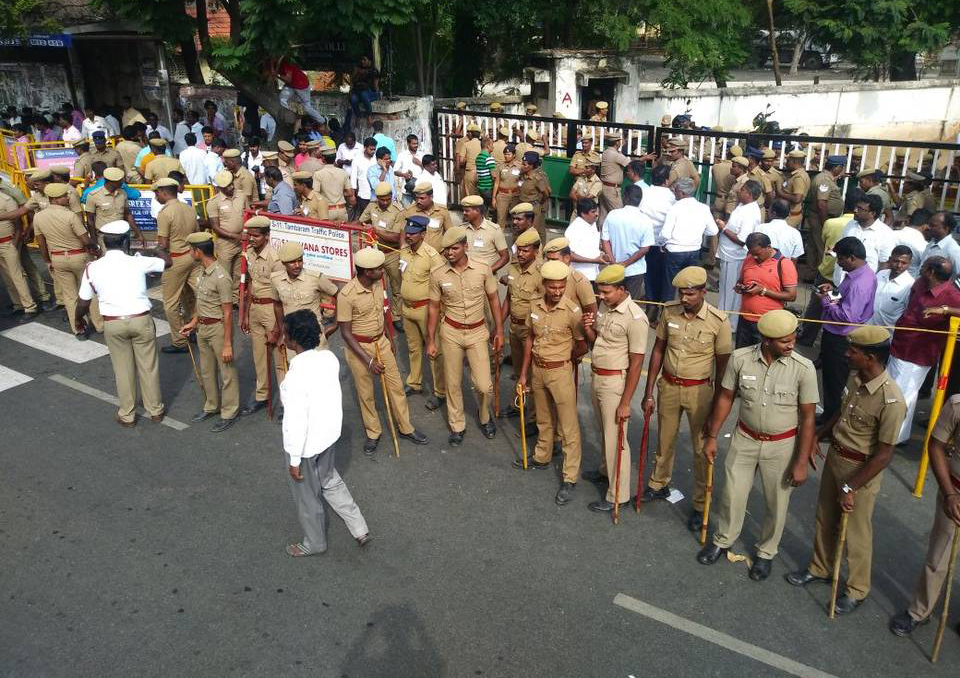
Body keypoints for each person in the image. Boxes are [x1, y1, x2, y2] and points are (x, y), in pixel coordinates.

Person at [786, 326, 906, 615]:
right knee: (825, 517)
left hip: (861, 470)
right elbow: (842, 412)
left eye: (853, 351)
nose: (847, 354)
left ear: (871, 357)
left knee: (856, 532)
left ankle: (856, 589)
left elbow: (884, 455)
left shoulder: (891, 400)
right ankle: (820, 567)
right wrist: (819, 435)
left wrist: (851, 487)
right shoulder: (856, 377)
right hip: (836, 458)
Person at [697, 310, 818, 579]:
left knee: (777, 503)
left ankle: (766, 553)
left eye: (793, 338)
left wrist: (801, 461)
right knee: (732, 494)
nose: (791, 344)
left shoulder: (803, 368)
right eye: (785, 341)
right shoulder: (740, 359)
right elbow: (726, 397)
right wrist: (713, 436)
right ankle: (723, 540)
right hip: (745, 439)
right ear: (767, 340)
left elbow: (808, 417)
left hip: (782, 446)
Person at [641, 266, 732, 532]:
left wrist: (717, 408)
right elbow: (658, 350)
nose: (684, 298)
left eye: (690, 294)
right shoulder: (669, 311)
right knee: (664, 439)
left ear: (703, 292)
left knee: (701, 449)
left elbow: (723, 368)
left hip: (700, 392)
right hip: (668, 386)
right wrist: (648, 391)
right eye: (681, 293)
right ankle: (658, 483)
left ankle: (700, 504)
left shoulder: (719, 321)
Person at [279, 309, 371, 558]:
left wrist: (294, 460)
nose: (283, 337)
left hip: (306, 447)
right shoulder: (329, 358)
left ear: (293, 340)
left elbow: (295, 422)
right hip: (329, 436)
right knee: (330, 480)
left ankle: (314, 543)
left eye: (285, 334)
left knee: (307, 496)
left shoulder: (295, 377)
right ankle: (359, 527)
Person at [75, 221, 168, 426]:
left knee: (123, 370)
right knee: (148, 367)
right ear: (126, 241)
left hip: (113, 323)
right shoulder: (138, 262)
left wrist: (78, 320)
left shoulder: (93, 268)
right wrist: (158, 249)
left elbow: (83, 301)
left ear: (104, 242)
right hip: (141, 319)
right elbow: (166, 263)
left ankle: (128, 414)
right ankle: (155, 410)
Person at [337, 247, 429, 454]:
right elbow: (346, 334)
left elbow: (383, 311)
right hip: (359, 348)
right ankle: (373, 433)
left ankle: (406, 427)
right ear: (366, 271)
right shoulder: (346, 295)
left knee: (396, 387)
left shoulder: (379, 284)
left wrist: (390, 337)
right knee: (366, 394)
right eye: (379, 268)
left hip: (382, 342)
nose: (383, 270)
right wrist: (369, 361)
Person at [514, 259, 587, 505]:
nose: (557, 292)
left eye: (561, 287)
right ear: (544, 284)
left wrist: (566, 361)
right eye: (553, 287)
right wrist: (523, 374)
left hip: (560, 372)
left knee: (568, 427)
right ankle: (542, 456)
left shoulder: (572, 311)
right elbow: (529, 339)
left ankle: (569, 476)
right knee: (544, 419)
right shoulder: (533, 304)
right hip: (537, 369)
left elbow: (582, 345)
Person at [888, 392, 960, 636]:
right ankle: (919, 612)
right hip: (955, 495)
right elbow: (936, 446)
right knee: (938, 559)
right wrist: (949, 495)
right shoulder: (957, 405)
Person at [581, 263, 649, 512]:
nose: (601, 296)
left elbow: (636, 363)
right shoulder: (606, 308)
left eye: (606, 292)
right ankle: (605, 471)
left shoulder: (635, 318)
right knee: (604, 431)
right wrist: (587, 329)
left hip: (615, 383)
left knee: (616, 439)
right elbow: (598, 342)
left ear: (622, 289)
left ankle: (618, 495)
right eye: (600, 291)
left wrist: (625, 402)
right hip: (598, 376)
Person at [426, 227, 503, 445]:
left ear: (465, 247)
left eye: (454, 248)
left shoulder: (482, 269)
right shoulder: (438, 274)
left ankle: (485, 416)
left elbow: (494, 299)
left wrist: (499, 330)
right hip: (450, 332)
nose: (449, 253)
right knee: (452, 383)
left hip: (478, 332)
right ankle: (457, 425)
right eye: (446, 250)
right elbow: (433, 307)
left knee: (484, 385)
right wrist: (430, 340)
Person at [886, 256, 960, 444]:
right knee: (893, 390)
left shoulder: (951, 295)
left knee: (904, 395)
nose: (920, 268)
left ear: (931, 272)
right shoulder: (920, 283)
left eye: (924, 266)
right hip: (900, 345)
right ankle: (893, 433)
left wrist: (944, 310)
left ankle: (893, 438)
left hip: (918, 354)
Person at [177, 231, 238, 432]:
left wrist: (227, 343)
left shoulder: (221, 276)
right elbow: (204, 303)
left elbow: (227, 312)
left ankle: (229, 412)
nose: (189, 253)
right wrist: (193, 323)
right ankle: (211, 405)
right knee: (207, 370)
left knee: (227, 372)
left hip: (218, 329)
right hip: (202, 327)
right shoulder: (203, 272)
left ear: (198, 251)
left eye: (191, 250)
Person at [817, 237, 878, 421]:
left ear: (851, 258)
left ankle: (831, 420)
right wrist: (832, 292)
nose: (838, 263)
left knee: (834, 381)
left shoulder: (859, 283)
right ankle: (831, 415)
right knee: (834, 379)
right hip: (840, 334)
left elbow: (846, 316)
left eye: (840, 259)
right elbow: (845, 301)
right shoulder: (861, 274)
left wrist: (825, 300)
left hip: (839, 337)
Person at [31, 183, 102, 337]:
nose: (68, 197)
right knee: (90, 290)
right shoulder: (70, 215)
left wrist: (47, 261)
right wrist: (97, 250)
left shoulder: (38, 217)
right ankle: (99, 324)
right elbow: (85, 240)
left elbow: (41, 243)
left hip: (57, 258)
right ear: (55, 199)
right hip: (79, 256)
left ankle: (78, 328)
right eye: (64, 196)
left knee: (69, 296)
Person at [798, 189, 862, 347]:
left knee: (816, 309)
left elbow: (824, 241)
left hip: (827, 273)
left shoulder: (831, 223)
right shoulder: (860, 228)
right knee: (840, 311)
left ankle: (806, 339)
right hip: (846, 279)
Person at [399, 216, 447, 410]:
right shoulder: (404, 252)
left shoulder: (432, 255)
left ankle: (440, 392)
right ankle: (414, 382)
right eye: (407, 233)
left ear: (423, 234)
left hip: (426, 309)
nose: (409, 236)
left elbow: (441, 285)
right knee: (413, 348)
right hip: (407, 307)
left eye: (413, 233)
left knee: (434, 351)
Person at [152, 178, 199, 354]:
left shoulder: (165, 213)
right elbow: (196, 233)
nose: (156, 196)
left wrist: (155, 254)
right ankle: (194, 329)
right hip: (192, 257)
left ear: (164, 193)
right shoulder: (189, 208)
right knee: (192, 296)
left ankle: (180, 341)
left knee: (171, 303)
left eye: (157, 193)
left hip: (176, 259)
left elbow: (163, 244)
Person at [735, 232, 798, 348]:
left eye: (758, 254)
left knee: (763, 355)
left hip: (768, 322)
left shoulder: (784, 264)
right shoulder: (749, 259)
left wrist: (762, 290)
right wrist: (740, 286)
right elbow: (741, 280)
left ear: (768, 247)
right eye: (752, 253)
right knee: (741, 355)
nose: (754, 257)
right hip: (744, 319)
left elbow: (791, 296)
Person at [716, 179, 762, 329]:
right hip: (731, 255)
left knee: (727, 292)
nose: (738, 191)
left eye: (742, 190)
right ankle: (731, 324)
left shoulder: (750, 213)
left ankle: (722, 325)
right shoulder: (744, 205)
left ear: (749, 194)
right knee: (733, 292)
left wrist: (723, 228)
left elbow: (742, 240)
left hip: (734, 256)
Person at [358, 181, 403, 329]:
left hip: (392, 254)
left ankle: (396, 316)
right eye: (381, 200)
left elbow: (396, 237)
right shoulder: (372, 206)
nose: (384, 202)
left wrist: (375, 230)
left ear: (391, 196)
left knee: (396, 287)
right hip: (374, 255)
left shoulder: (398, 211)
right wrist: (342, 224)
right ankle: (377, 315)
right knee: (374, 286)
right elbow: (360, 222)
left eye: (387, 199)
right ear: (377, 198)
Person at [500, 229, 543, 384]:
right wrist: (498, 325)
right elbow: (509, 299)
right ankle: (519, 399)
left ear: (536, 252)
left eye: (525, 251)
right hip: (514, 328)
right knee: (518, 371)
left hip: (530, 330)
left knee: (531, 373)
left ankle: (530, 400)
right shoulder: (513, 268)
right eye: (519, 250)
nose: (520, 254)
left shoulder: (541, 273)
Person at [660, 177, 718, 293]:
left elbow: (665, 234)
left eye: (675, 190)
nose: (674, 192)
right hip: (694, 251)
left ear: (682, 193)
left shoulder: (674, 208)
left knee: (670, 285)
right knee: (689, 285)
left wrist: (662, 244)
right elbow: (713, 231)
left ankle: (668, 304)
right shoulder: (703, 208)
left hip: (675, 251)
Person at [599, 184, 654, 302]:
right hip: (635, 270)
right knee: (630, 304)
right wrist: (625, 264)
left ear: (625, 198)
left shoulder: (612, 215)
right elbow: (645, 249)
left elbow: (605, 240)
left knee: (613, 302)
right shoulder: (646, 220)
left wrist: (613, 262)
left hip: (614, 269)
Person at [206, 170, 247, 304]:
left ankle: (235, 300)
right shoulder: (213, 202)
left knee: (238, 273)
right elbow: (215, 227)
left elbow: (247, 214)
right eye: (227, 186)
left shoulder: (241, 196)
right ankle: (223, 301)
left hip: (241, 241)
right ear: (220, 188)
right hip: (225, 244)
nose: (231, 187)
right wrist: (234, 235)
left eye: (231, 184)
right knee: (224, 275)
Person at [835, 194, 894, 286]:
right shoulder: (850, 225)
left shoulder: (885, 234)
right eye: (856, 207)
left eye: (860, 209)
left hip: (863, 286)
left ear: (872, 213)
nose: (855, 210)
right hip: (840, 282)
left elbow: (885, 264)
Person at [83, 167, 145, 247]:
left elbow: (128, 215)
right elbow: (90, 220)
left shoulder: (123, 193)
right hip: (104, 237)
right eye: (120, 180)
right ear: (111, 182)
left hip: (122, 236)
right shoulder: (93, 195)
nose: (122, 182)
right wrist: (94, 240)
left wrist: (139, 233)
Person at [804, 155, 846, 267]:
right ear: (836, 167)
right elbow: (821, 204)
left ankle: (812, 270)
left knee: (814, 245)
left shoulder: (824, 177)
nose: (842, 170)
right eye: (842, 167)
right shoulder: (825, 180)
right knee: (821, 247)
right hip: (821, 218)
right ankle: (819, 272)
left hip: (819, 217)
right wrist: (825, 222)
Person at [461, 195, 509, 272]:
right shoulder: (461, 229)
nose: (464, 213)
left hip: (487, 277)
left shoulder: (494, 230)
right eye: (463, 210)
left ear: (477, 211)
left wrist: (488, 272)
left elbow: (505, 257)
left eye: (467, 211)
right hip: (466, 276)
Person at [402, 181, 454, 252]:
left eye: (422, 198)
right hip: (417, 255)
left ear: (431, 197)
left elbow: (450, 233)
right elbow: (403, 233)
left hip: (438, 254)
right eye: (417, 198)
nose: (418, 201)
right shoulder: (410, 211)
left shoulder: (442, 211)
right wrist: (404, 251)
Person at [869, 247, 914, 328]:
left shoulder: (910, 285)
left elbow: (908, 315)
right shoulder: (880, 274)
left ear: (910, 263)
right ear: (890, 259)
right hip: (867, 327)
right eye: (896, 261)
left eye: (904, 263)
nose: (899, 265)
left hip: (888, 333)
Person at [270, 57, 324, 124]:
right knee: (282, 99)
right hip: (291, 85)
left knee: (307, 107)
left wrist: (276, 75)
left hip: (301, 85)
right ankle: (287, 117)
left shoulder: (286, 65)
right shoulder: (273, 65)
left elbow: (288, 79)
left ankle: (322, 121)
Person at [515, 151, 550, 241]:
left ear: (531, 166)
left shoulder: (537, 178)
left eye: (525, 164)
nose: (522, 166)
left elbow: (546, 193)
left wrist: (540, 203)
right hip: (522, 206)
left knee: (533, 232)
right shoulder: (522, 175)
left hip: (533, 207)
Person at [315, 146, 355, 221]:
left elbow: (316, 194)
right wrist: (340, 192)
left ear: (323, 158)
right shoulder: (343, 173)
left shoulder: (318, 174)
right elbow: (350, 193)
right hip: (341, 210)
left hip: (326, 211)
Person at [598, 131, 629, 225]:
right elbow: (630, 164)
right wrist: (644, 158)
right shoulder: (615, 154)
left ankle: (601, 233)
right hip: (612, 189)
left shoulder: (606, 152)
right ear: (617, 142)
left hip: (604, 187)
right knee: (619, 215)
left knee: (603, 214)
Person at [346, 56, 380, 130]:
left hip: (370, 93)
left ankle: (369, 115)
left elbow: (375, 86)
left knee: (363, 94)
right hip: (358, 92)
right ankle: (358, 116)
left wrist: (377, 93)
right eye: (362, 60)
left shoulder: (374, 71)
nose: (362, 61)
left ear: (370, 61)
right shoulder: (357, 69)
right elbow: (352, 82)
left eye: (365, 60)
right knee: (353, 99)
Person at [921, 211, 960, 275]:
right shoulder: (931, 243)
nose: (928, 227)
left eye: (933, 225)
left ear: (946, 229)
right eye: (929, 224)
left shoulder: (953, 250)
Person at [493, 144, 521, 227]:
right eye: (505, 154)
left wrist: (520, 189)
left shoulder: (519, 166)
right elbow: (496, 183)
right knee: (500, 219)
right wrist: (494, 198)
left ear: (514, 155)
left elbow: (522, 180)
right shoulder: (500, 166)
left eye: (509, 154)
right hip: (502, 196)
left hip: (515, 195)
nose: (506, 156)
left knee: (516, 219)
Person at [711, 145, 743, 217]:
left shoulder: (716, 166)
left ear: (728, 154)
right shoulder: (737, 169)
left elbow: (714, 179)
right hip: (732, 202)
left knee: (716, 222)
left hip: (719, 199)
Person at [897, 209, 930, 278]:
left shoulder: (891, 234)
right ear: (925, 227)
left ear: (909, 220)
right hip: (910, 282)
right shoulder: (924, 246)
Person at [394, 134, 424, 206]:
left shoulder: (422, 155)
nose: (416, 145)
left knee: (421, 210)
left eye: (417, 143)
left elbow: (428, 170)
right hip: (407, 189)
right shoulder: (402, 155)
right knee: (406, 211)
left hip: (420, 190)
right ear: (408, 144)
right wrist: (404, 175)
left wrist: (420, 164)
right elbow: (395, 171)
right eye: (413, 144)